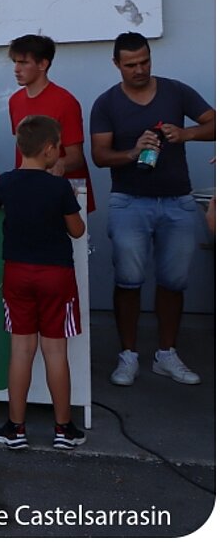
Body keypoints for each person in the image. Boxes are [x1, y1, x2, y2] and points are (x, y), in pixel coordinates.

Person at [90, 31, 216, 387]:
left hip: (177, 200)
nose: (140, 69)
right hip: (129, 200)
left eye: (145, 61)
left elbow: (214, 122)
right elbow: (99, 156)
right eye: (131, 65)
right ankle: (127, 355)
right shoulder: (107, 103)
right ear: (117, 65)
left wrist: (186, 134)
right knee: (128, 280)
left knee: (174, 282)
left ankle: (166, 353)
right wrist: (132, 152)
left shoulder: (176, 90)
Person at [0, 115, 88, 450]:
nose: (61, 152)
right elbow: (77, 230)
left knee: (21, 350)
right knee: (56, 351)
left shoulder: (8, 181)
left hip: (17, 273)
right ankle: (63, 428)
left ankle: (16, 428)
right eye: (58, 146)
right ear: (47, 150)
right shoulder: (59, 186)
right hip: (56, 274)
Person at [8, 34, 93, 211]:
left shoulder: (65, 101)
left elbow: (76, 157)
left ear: (43, 64)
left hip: (64, 198)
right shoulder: (14, 101)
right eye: (15, 62)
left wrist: (58, 164)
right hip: (29, 193)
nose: (16, 69)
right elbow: (23, 151)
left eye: (24, 62)